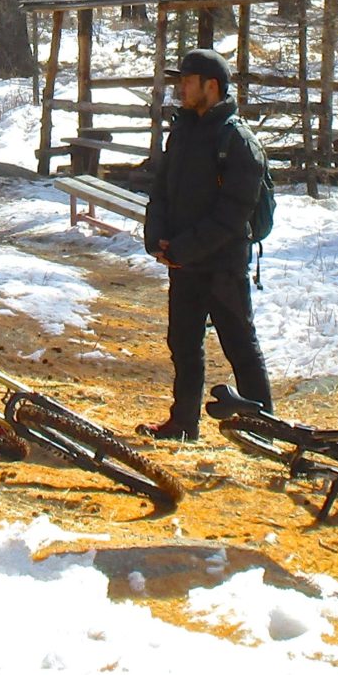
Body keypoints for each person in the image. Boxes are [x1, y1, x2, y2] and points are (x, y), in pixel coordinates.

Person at [136, 48, 273, 441]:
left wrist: (184, 248)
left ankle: (266, 431)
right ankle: (183, 423)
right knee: (182, 344)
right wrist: (157, 236)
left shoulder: (238, 141)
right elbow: (161, 189)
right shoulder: (182, 131)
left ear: (210, 87)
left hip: (222, 267)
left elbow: (233, 215)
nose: (180, 88)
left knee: (240, 347)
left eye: (187, 81)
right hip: (185, 264)